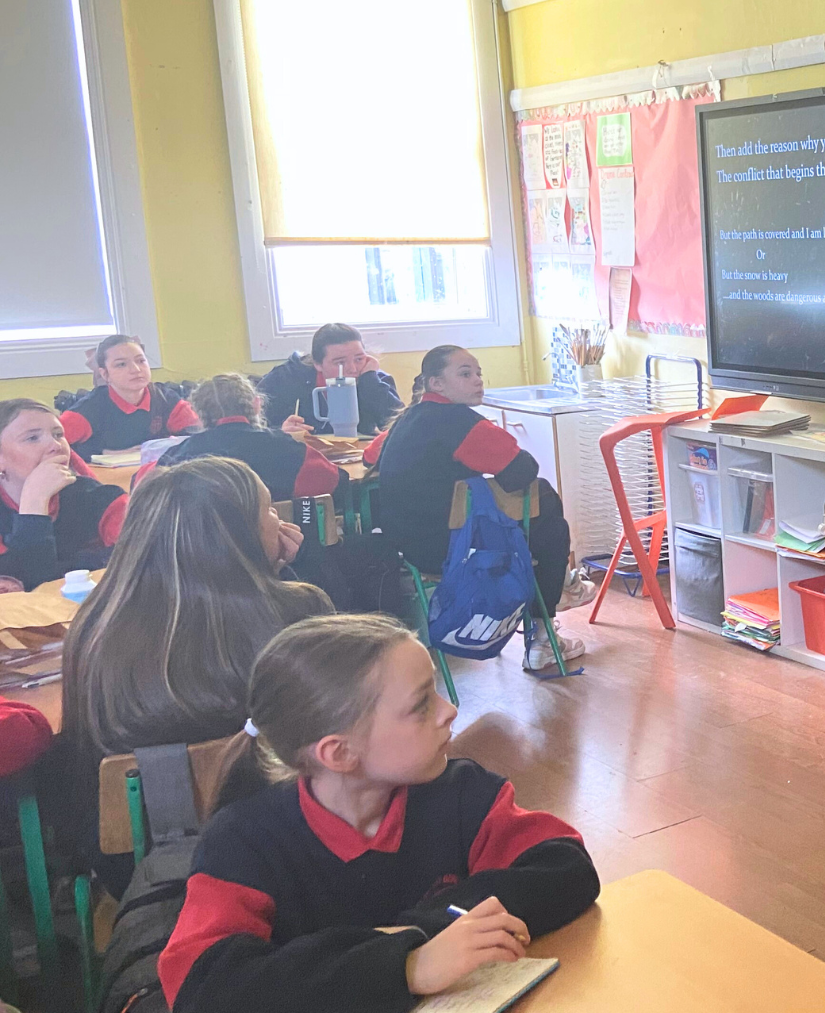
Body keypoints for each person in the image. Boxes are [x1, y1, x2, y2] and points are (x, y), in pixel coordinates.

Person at [157, 614, 600, 1012]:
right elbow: (204, 987)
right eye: (421, 704)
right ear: (340, 753)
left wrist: (423, 932)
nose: (450, 711)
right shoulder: (244, 840)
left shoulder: (462, 793)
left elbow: (566, 866)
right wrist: (407, 963)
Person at [61, 456, 331, 895]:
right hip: (288, 853)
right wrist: (287, 575)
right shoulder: (300, 610)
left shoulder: (94, 622)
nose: (278, 519)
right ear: (238, 533)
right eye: (268, 509)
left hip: (139, 870)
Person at [366, 345, 583, 668]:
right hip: (458, 550)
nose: (477, 381)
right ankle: (544, 629)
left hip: (409, 549)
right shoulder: (460, 422)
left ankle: (563, 585)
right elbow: (521, 472)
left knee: (539, 512)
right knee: (547, 514)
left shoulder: (407, 418)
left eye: (478, 373)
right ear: (436, 384)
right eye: (465, 374)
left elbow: (369, 456)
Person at [157, 373, 348, 501]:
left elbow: (148, 494)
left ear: (198, 413)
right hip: (276, 550)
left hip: (197, 556)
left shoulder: (175, 457)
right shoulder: (286, 448)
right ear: (256, 405)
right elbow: (336, 482)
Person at [0, 399, 127, 590]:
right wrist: (34, 507)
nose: (55, 445)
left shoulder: (104, 500)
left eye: (58, 434)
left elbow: (139, 560)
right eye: (32, 438)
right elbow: (29, 589)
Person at [59, 334, 200, 460]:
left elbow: (197, 436)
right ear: (105, 374)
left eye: (141, 361)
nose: (136, 370)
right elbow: (51, 447)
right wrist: (101, 452)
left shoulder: (166, 398)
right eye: (121, 364)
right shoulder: (88, 409)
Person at [258, 323, 404, 438]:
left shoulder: (375, 379)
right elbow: (252, 430)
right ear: (317, 363)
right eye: (340, 362)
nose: (352, 368)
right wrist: (280, 432)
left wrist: (370, 382)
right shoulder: (285, 377)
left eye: (359, 359)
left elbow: (400, 428)